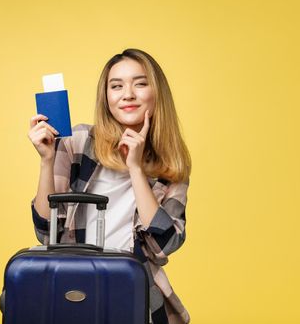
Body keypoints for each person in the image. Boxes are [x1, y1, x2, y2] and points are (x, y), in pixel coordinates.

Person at [28, 48, 192, 324]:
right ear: (106, 97)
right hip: (73, 287)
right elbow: (45, 232)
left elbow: (164, 246)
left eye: (140, 83)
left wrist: (136, 168)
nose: (127, 94)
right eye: (116, 86)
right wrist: (47, 161)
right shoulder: (78, 142)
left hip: (133, 292)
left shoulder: (171, 163)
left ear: (157, 93)